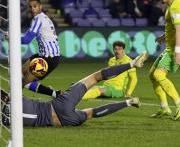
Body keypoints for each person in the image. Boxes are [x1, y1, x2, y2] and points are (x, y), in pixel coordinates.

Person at [2, 51, 148, 127]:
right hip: (59, 105)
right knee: (95, 77)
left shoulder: (15, 123)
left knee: (91, 113)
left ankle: (129, 103)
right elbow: (25, 81)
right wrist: (31, 63)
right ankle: (132, 64)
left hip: (63, 121)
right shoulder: (15, 99)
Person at [149, 0, 180, 120]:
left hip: (175, 49)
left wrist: (178, 51)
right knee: (152, 75)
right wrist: (164, 36)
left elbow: (179, 29)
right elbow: (174, 28)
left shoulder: (175, 6)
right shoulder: (171, 6)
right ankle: (165, 108)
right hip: (170, 47)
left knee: (159, 75)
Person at [21, 0, 60, 98]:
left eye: (35, 6)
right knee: (20, 72)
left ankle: (9, 99)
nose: (32, 9)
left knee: (24, 82)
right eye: (30, 7)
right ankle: (54, 93)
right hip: (42, 54)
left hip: (49, 58)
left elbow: (26, 40)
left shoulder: (39, 19)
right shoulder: (41, 18)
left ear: (40, 6)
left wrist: (11, 39)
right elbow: (27, 36)